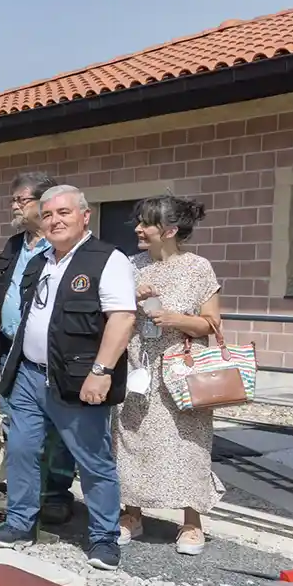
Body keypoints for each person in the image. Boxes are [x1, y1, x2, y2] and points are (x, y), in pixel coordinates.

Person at [0, 186, 137, 570]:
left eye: (64, 213)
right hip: (28, 376)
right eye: (49, 214)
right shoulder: (42, 262)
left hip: (77, 380)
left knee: (92, 460)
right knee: (21, 451)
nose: (55, 220)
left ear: (85, 216)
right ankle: (20, 523)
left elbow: (122, 319)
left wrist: (101, 372)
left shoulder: (108, 260)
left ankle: (104, 538)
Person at [118, 195, 225, 555]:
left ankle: (192, 522)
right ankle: (131, 514)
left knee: (188, 443)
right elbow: (112, 314)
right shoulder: (131, 266)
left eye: (145, 224)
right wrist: (133, 297)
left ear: (170, 230)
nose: (138, 229)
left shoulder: (198, 268)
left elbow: (211, 322)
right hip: (139, 368)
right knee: (131, 439)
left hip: (181, 369)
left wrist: (175, 319)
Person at [0, 171, 77, 525]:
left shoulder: (61, 246)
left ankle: (57, 492)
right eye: (13, 200)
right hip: (11, 349)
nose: (15, 206)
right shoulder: (14, 245)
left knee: (57, 428)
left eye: (21, 200)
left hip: (52, 353)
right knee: (16, 424)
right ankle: (23, 495)